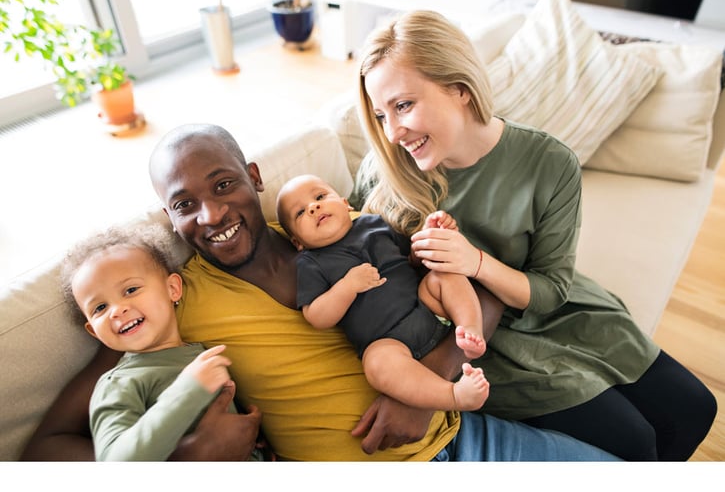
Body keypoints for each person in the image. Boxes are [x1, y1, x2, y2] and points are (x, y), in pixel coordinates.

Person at [21, 123, 620, 462]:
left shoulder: (335, 227)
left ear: (254, 178)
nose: (209, 214)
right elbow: (46, 448)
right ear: (170, 219)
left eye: (224, 185)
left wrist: (427, 388)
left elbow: (478, 297)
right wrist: (187, 455)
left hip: (460, 437)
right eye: (184, 205)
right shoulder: (171, 298)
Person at [352, 9, 717, 461]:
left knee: (696, 408)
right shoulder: (383, 176)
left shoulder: (548, 161)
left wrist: (476, 263)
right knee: (635, 442)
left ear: (459, 89)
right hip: (482, 341)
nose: (392, 133)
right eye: (380, 114)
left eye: (403, 105)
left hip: (553, 307)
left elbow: (551, 290)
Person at [276, 174, 488, 412]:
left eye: (320, 197)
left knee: (443, 275)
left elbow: (412, 261)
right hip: (387, 342)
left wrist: (428, 238)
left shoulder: (374, 223)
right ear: (298, 242)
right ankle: (454, 396)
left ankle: (469, 331)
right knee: (376, 366)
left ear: (346, 204)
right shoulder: (311, 263)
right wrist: (347, 286)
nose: (313, 207)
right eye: (300, 213)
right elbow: (316, 316)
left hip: (426, 305)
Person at [60, 223, 265, 461]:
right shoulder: (117, 384)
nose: (117, 310)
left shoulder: (201, 352)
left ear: (173, 289)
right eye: (100, 308)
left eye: (130, 290)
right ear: (93, 331)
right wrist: (187, 391)